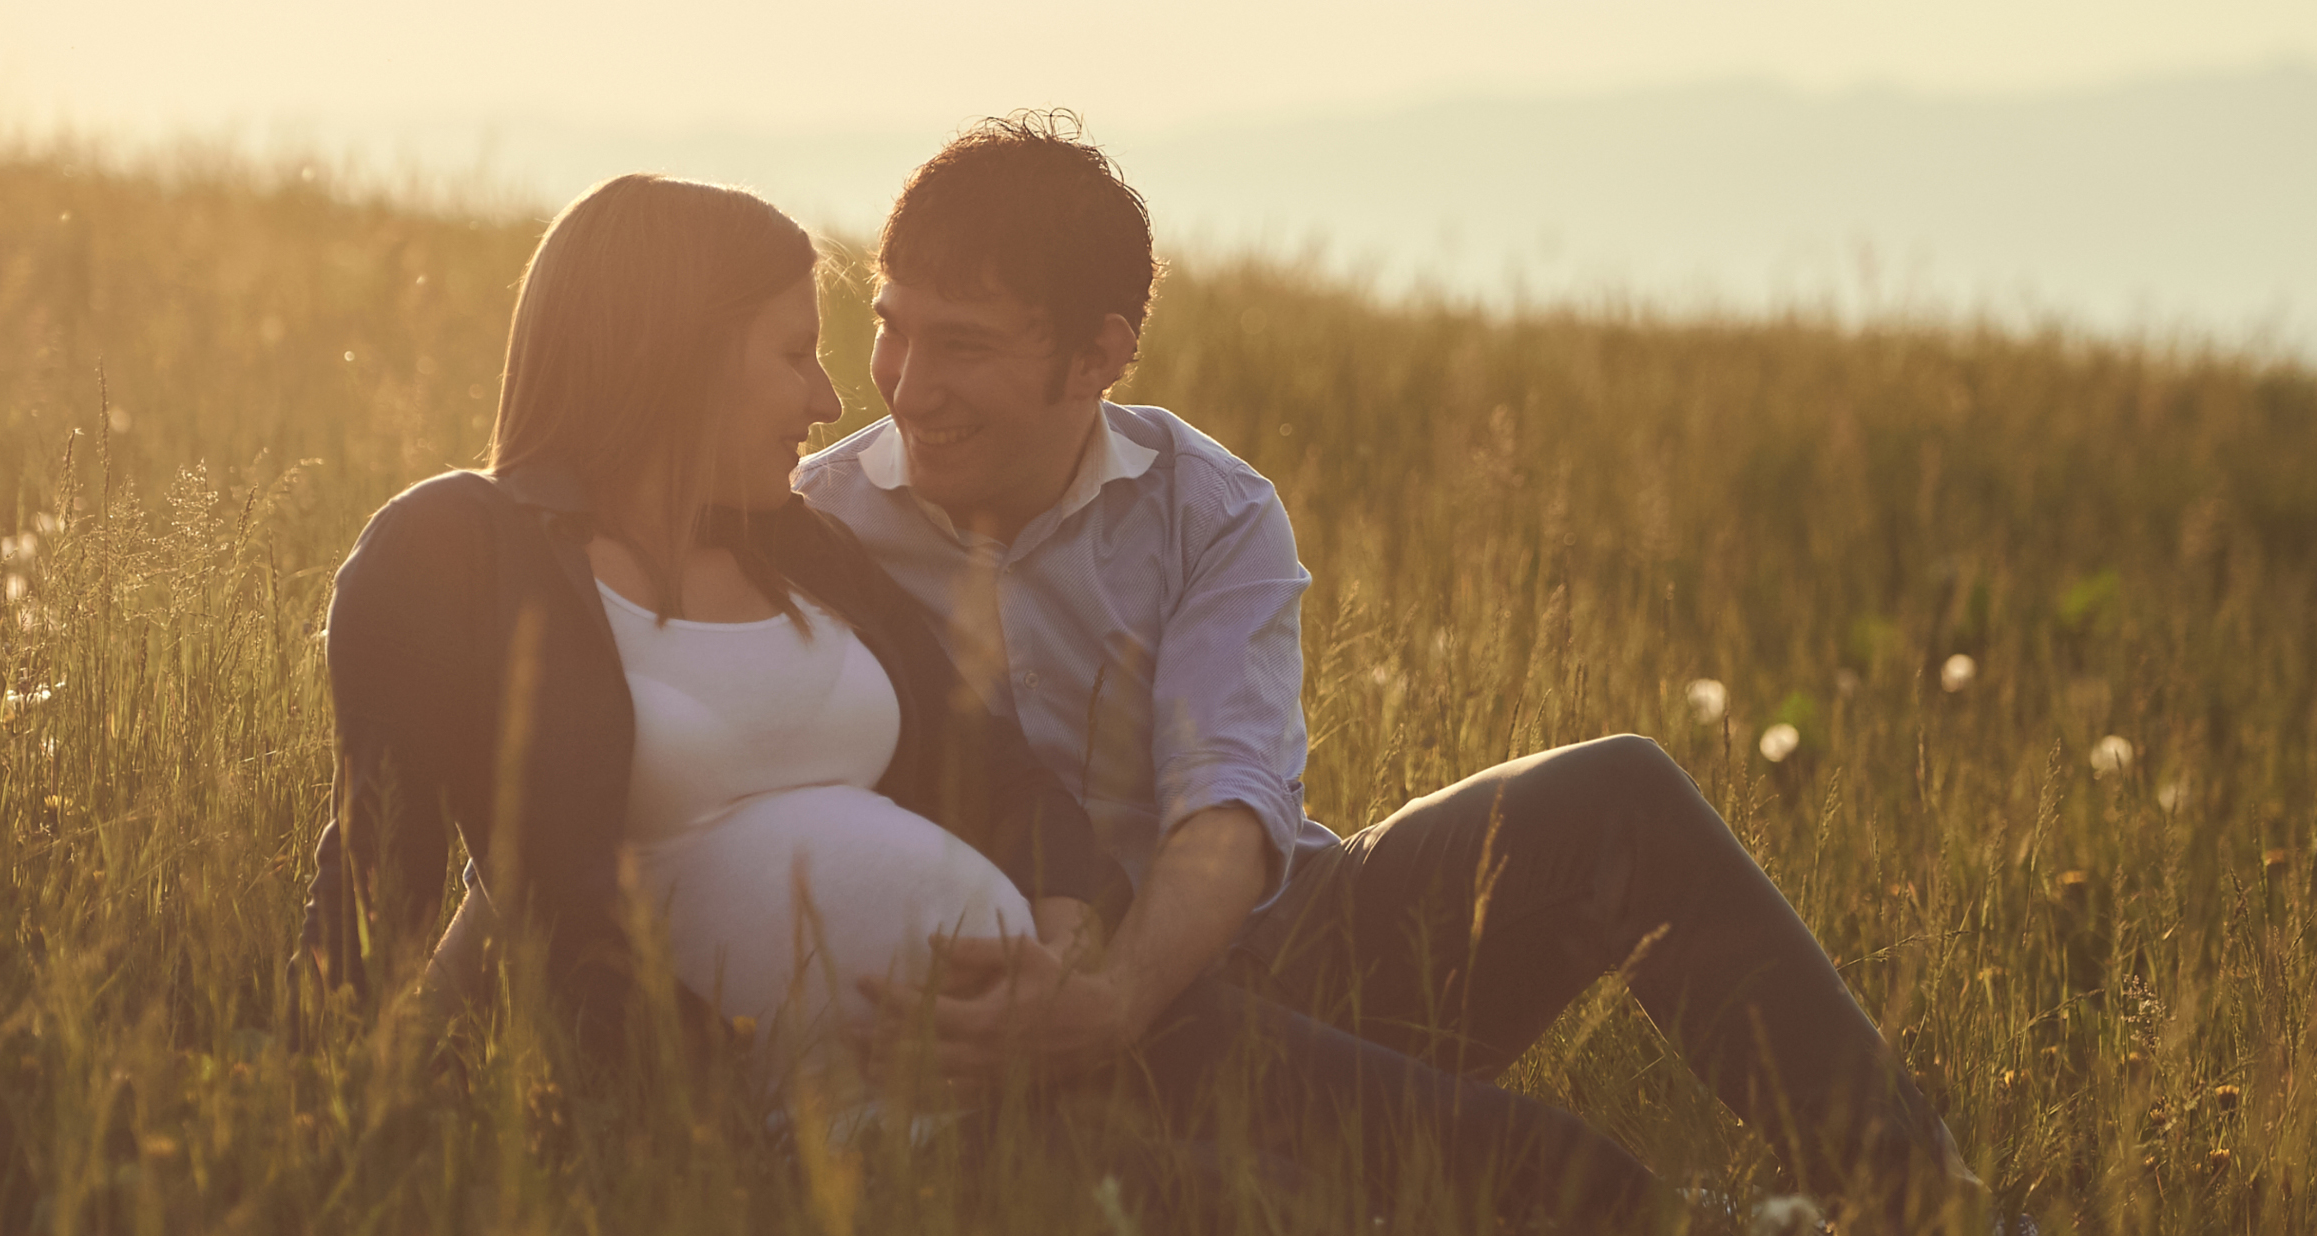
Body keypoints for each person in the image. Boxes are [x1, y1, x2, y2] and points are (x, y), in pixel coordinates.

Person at [793, 111, 1984, 1230]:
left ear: (1099, 353)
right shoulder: (820, 527)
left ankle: (1928, 1211)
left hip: (1285, 952)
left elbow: (1229, 803)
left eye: (963, 345)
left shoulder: (1205, 509)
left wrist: (1114, 999)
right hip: (1034, 1009)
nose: (907, 384)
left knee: (1616, 792)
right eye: (893, 326)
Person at [290, 174, 1127, 1095]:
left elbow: (1005, 779)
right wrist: (316, 1109)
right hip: (728, 1140)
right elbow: (376, 888)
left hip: (1027, 1090)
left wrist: (1058, 978)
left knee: (1302, 1112)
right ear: (679, 354)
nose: (829, 401)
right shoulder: (460, 549)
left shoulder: (801, 548)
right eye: (796, 354)